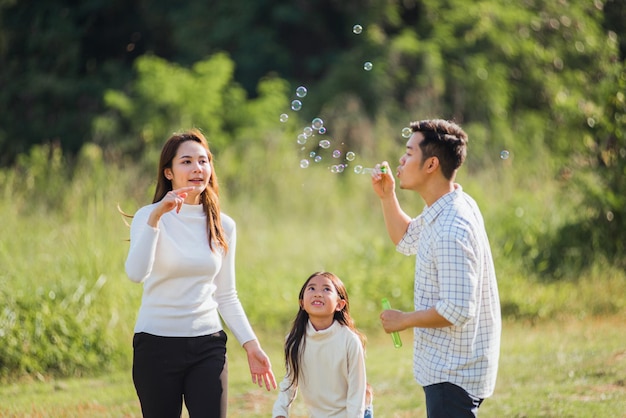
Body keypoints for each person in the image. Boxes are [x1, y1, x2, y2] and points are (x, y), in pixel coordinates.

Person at [124, 128, 276, 418]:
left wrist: (251, 344)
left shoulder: (224, 225)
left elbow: (226, 294)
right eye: (187, 161)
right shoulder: (148, 215)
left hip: (208, 345)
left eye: (203, 161)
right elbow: (136, 273)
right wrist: (157, 217)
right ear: (168, 172)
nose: (197, 168)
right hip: (155, 345)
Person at [371, 119, 501, 417]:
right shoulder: (448, 204)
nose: (400, 161)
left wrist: (403, 320)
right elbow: (406, 238)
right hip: (451, 369)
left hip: (452, 373)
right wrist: (387, 196)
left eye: (408, 153)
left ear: (430, 164)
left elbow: (456, 309)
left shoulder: (451, 228)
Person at [272, 271, 368, 418]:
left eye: (326, 289)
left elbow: (357, 391)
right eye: (311, 288)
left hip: (355, 413)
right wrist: (280, 412)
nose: (318, 293)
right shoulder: (295, 341)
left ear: (339, 304)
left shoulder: (349, 340)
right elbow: (289, 382)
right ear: (302, 303)